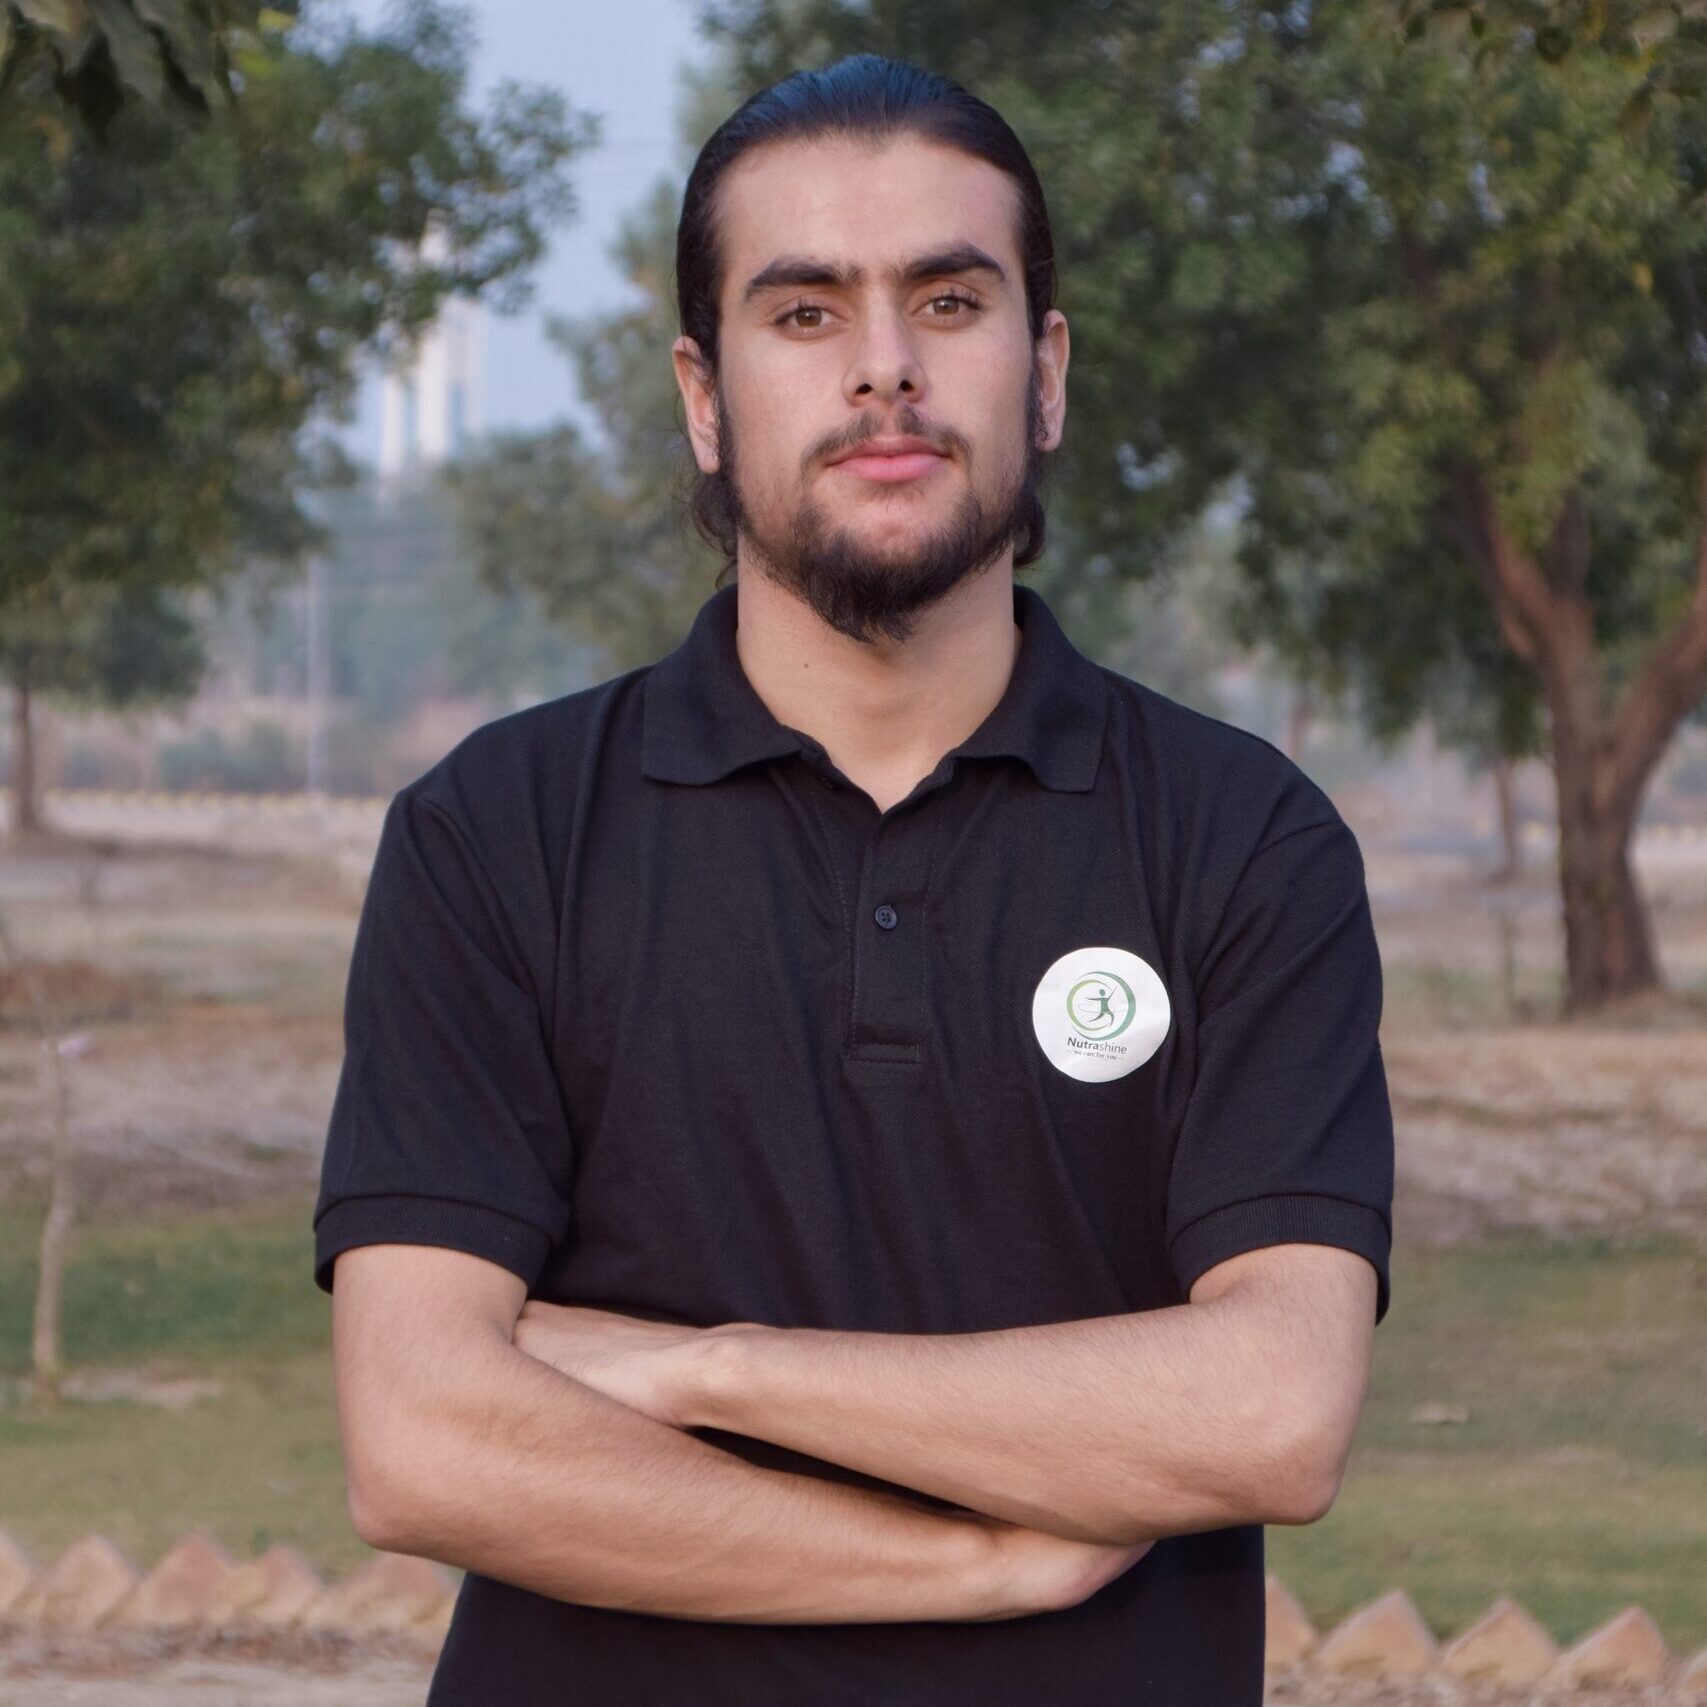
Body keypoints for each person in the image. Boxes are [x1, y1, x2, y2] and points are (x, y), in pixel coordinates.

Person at [314, 52, 1394, 1707]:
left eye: (949, 302)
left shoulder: (1244, 839)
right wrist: (974, 1565)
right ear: (703, 394)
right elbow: (424, 1447)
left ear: (1045, 373)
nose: (885, 367)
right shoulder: (498, 833)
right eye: (806, 312)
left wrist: (708, 1369)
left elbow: (1272, 1413)